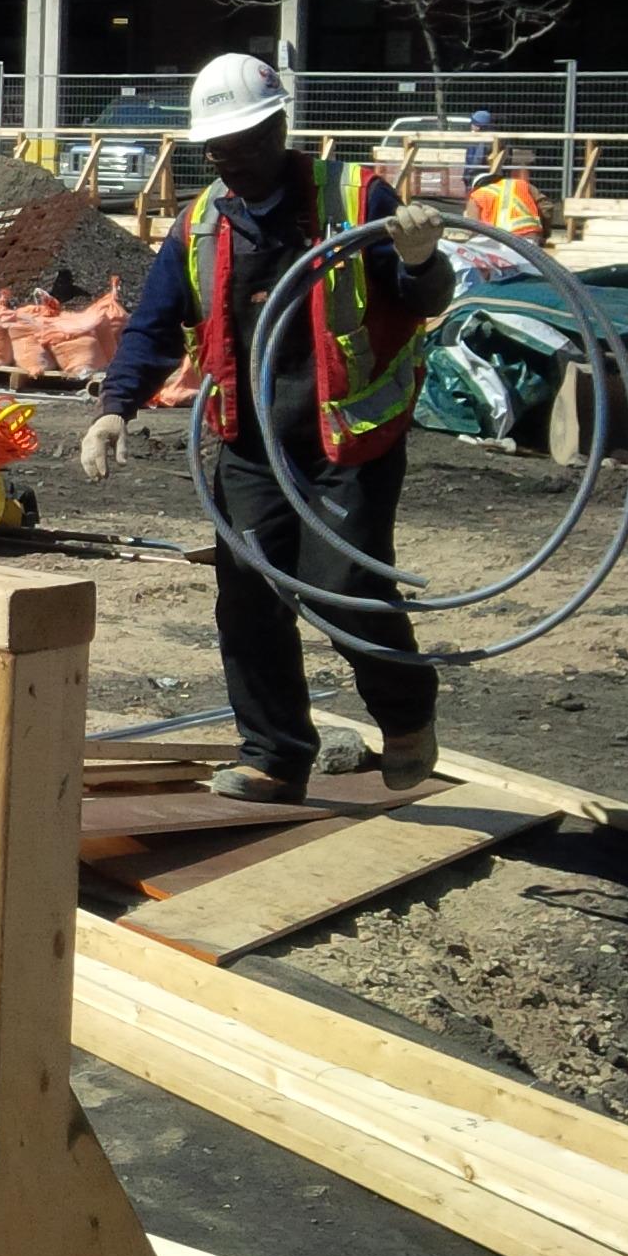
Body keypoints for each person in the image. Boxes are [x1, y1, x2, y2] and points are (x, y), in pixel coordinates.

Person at [83, 52, 453, 804]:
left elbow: (420, 297)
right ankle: (275, 754)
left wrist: (421, 258)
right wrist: (114, 410)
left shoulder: (353, 198)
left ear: (280, 127)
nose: (232, 163)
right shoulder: (201, 225)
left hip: (347, 440)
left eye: (246, 145)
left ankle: (407, 719)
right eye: (218, 151)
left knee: (343, 587)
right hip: (251, 440)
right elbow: (154, 326)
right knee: (247, 595)